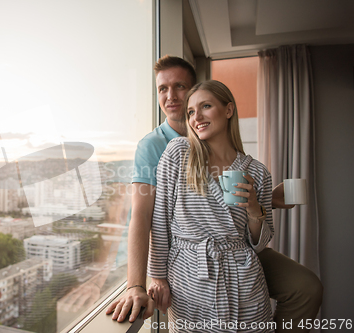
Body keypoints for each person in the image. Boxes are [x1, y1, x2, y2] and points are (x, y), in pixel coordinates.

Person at [106, 56, 323, 332]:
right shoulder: (165, 150)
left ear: (226, 108)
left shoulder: (256, 170)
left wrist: (260, 206)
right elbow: (147, 217)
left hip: (242, 267)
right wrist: (145, 281)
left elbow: (254, 237)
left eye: (181, 88)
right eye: (162, 89)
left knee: (307, 287)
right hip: (190, 268)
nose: (172, 97)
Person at [149, 79, 274, 331]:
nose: (197, 117)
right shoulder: (179, 153)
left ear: (228, 110)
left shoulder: (258, 172)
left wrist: (253, 208)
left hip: (244, 281)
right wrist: (157, 276)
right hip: (189, 279)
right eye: (191, 112)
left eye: (205, 106)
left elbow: (261, 242)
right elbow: (159, 220)